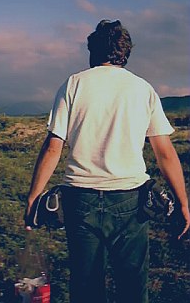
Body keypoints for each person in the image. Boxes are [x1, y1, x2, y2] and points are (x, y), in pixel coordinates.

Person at [24, 19, 190, 303]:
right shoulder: (142, 89)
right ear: (124, 53)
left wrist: (33, 197)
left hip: (80, 200)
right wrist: (183, 202)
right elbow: (164, 153)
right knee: (132, 287)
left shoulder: (74, 84)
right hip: (130, 200)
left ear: (93, 51)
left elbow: (54, 148)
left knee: (87, 288)